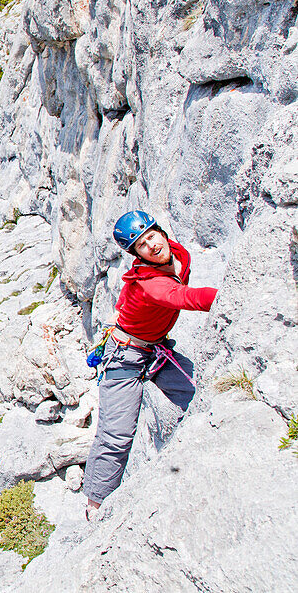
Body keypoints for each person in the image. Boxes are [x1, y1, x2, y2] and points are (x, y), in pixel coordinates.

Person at [82, 210, 218, 520]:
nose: (152, 245)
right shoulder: (150, 282)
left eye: (152, 236)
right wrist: (232, 295)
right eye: (142, 245)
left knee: (201, 392)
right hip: (125, 358)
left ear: (160, 230)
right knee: (117, 434)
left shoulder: (176, 253)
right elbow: (189, 298)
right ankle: (95, 505)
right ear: (137, 256)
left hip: (153, 348)